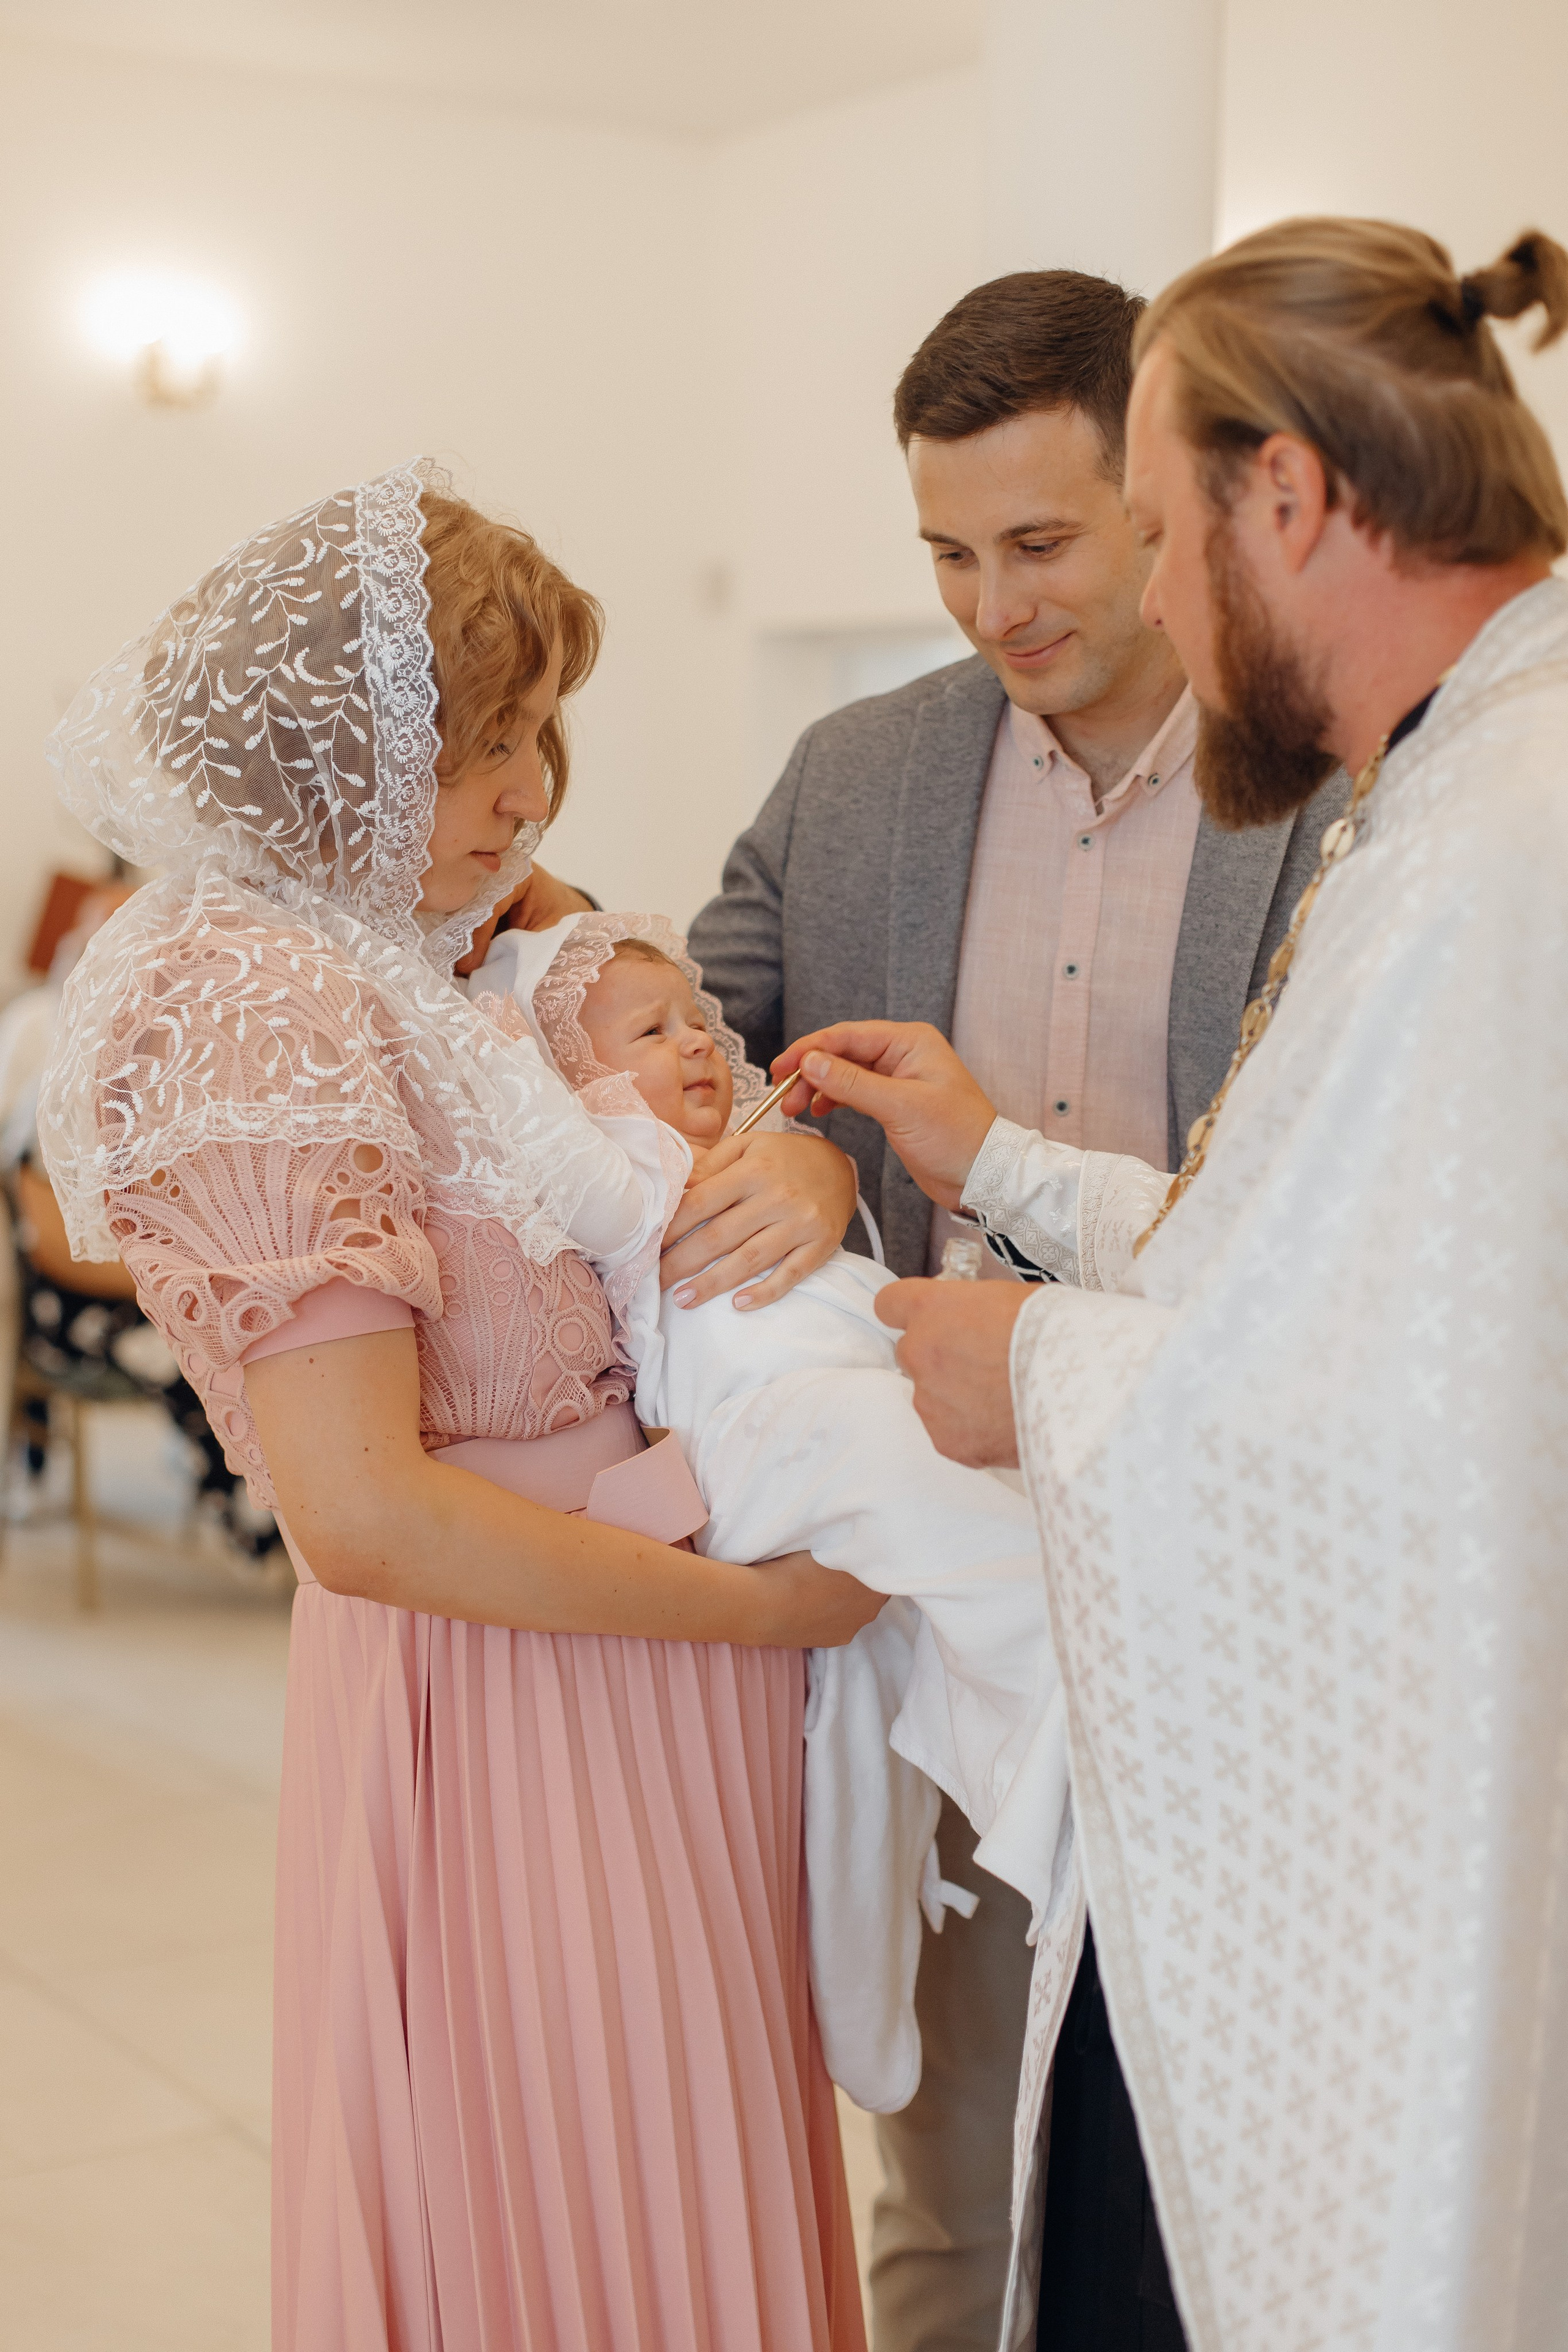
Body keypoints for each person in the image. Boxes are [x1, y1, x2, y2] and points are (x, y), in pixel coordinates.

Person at [778, 219, 1568, 2350]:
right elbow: (1304, 1249)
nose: (1122, 602)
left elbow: (1408, 1411)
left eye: (1137, 530)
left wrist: (1026, 1361)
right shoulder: (1469, 786)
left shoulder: (1499, 842)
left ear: (1281, 499)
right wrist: (1001, 1162)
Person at [37, 465, 882, 2352]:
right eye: (489, 744)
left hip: (631, 1656)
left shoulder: (400, 938)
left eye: (539, 732)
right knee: (576, 2200)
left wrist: (787, 1167)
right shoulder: (249, 995)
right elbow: (369, 1515)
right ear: (338, 756)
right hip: (513, 1688)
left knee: (687, 2160)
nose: (532, 792)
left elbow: (666, 1094)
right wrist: (764, 1607)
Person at [674, 270, 1347, 2351]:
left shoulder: (1343, 787)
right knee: (956, 2175)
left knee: (1239, 2172)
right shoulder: (861, 768)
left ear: (1166, 500)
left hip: (1254, 1583)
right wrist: (781, 1137)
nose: (993, 602)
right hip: (954, 1593)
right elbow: (694, 1017)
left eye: (1039, 541)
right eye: (947, 553)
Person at [470, 906, 1069, 2116]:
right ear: (571, 1079)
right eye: (649, 1030)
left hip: (830, 1436)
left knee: (862, 1743)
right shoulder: (616, 1165)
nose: (695, 1043)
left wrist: (815, 1155)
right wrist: (490, 1042)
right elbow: (545, 1140)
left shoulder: (747, 1155)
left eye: (696, 1020)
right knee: (909, 1470)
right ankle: (1065, 1681)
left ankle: (867, 2016)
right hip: (757, 1445)